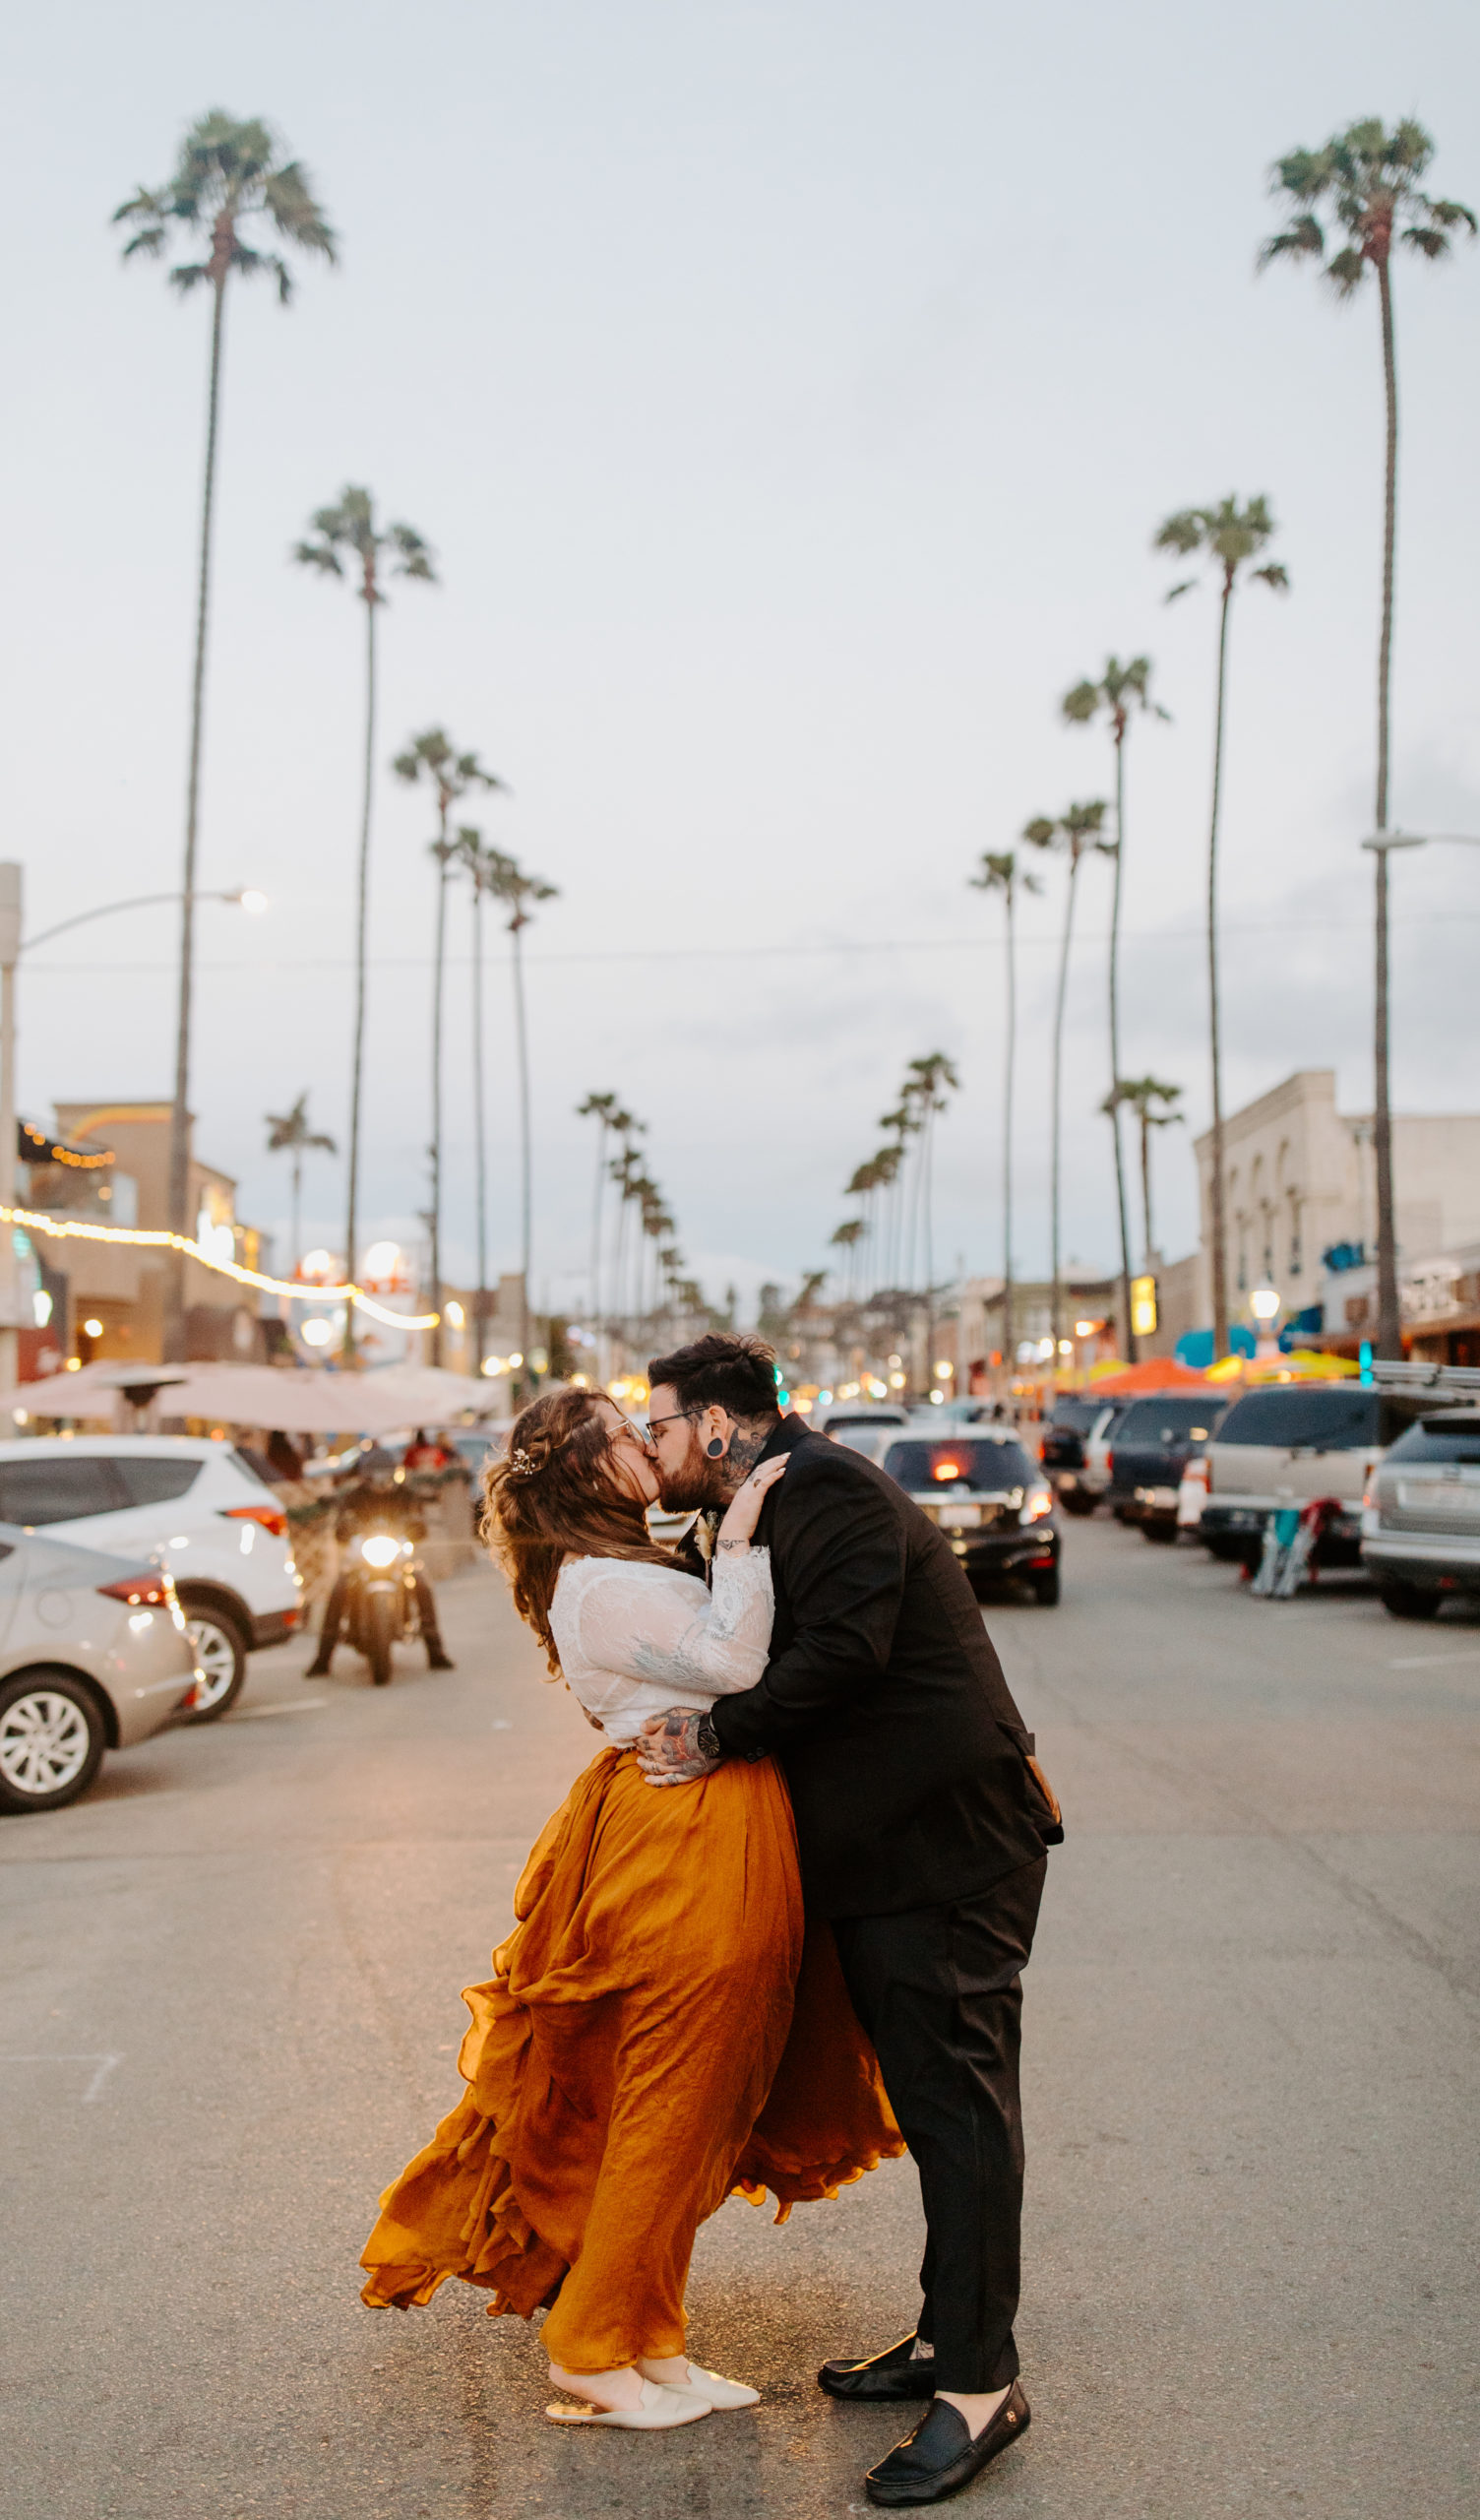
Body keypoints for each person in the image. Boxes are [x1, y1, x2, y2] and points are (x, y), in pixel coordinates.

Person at [359, 1386, 900, 2431]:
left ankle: (651, 2334)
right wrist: (739, 1537)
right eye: (623, 1433)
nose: (644, 1441)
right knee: (673, 2092)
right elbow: (735, 1665)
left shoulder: (622, 1564)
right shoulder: (601, 1586)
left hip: (715, 1814)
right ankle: (592, 2346)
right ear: (586, 1468)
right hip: (684, 1836)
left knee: (704, 2097)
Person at [636, 1333, 1062, 2510]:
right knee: (939, 2109)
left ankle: (981, 2389)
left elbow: (844, 1652)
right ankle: (946, 2335)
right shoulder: (768, 1502)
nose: (653, 1443)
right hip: (894, 1856)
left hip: (948, 1852)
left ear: (719, 1423)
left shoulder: (823, 1488)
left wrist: (718, 1737)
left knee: (960, 2108)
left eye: (661, 1424)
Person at [306, 1449, 454, 1676]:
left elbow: (419, 1523)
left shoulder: (405, 1495)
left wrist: (416, 1526)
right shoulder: (353, 1497)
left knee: (422, 1584)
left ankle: (436, 1653)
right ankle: (322, 1659)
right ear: (365, 1477)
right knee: (339, 1588)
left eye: (385, 1476)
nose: (380, 1482)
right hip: (362, 1556)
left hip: (397, 1555)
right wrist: (345, 1528)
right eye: (374, 1476)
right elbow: (341, 1527)